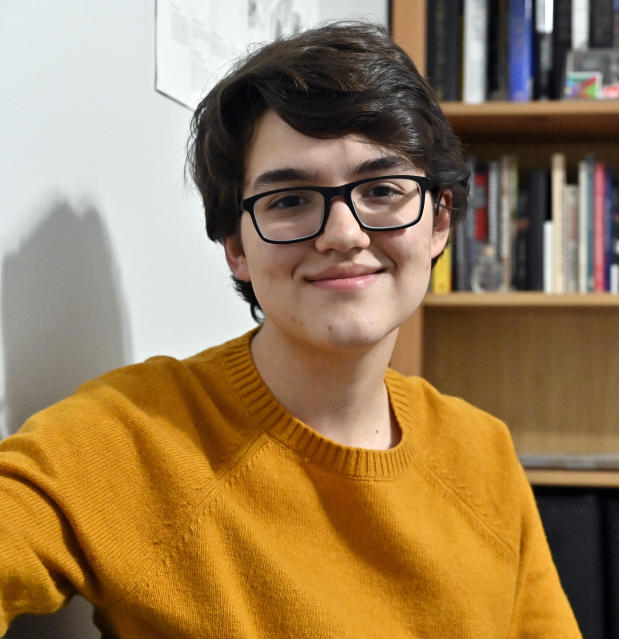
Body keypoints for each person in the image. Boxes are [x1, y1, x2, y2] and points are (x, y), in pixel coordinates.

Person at [0, 21, 582, 638]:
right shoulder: (133, 437)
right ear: (236, 248)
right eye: (290, 200)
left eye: (382, 189)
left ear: (438, 222)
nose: (344, 234)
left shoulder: (482, 452)